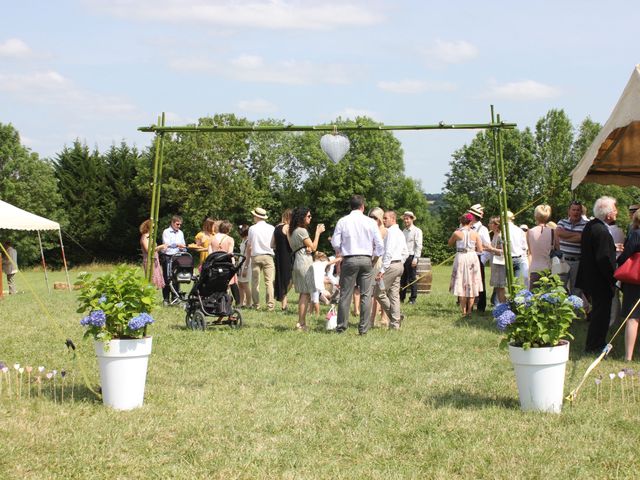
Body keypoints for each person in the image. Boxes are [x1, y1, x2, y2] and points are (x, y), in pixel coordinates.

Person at [331, 195, 384, 335]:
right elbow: (380, 245)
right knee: (366, 295)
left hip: (349, 259)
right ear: (363, 207)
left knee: (345, 294)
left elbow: (335, 242)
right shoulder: (370, 222)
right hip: (366, 259)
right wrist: (374, 259)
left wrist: (341, 252)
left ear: (351, 206)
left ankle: (341, 327)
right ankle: (363, 329)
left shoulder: (343, 221)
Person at [576, 196, 618, 354]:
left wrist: (612, 247)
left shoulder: (591, 225)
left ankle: (595, 342)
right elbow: (603, 258)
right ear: (608, 214)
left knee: (598, 313)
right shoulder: (600, 230)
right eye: (614, 209)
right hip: (600, 280)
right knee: (601, 314)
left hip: (592, 277)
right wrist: (613, 277)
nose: (616, 212)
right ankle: (595, 345)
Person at [288, 207, 325, 330]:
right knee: (305, 294)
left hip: (297, 262)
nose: (310, 218)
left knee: (303, 293)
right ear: (301, 217)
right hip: (304, 263)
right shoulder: (302, 231)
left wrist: (307, 248)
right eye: (308, 216)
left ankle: (301, 322)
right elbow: (314, 247)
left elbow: (302, 247)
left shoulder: (292, 231)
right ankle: (301, 323)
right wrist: (318, 232)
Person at [375, 210, 409, 329]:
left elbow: (388, 252)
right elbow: (406, 252)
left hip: (391, 265)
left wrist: (382, 270)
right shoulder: (400, 232)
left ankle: (396, 317)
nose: (383, 220)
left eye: (385, 218)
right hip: (399, 265)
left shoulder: (391, 232)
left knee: (378, 292)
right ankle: (395, 324)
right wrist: (400, 263)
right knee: (394, 295)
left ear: (393, 219)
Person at [448, 213, 483, 316]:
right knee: (472, 283)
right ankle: (469, 311)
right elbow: (480, 249)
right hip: (472, 256)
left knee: (461, 283)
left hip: (461, 257)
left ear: (461, 222)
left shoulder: (457, 233)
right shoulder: (475, 234)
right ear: (471, 222)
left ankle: (463, 311)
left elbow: (450, 243)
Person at [618, 209, 640, 361]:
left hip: (635, 279)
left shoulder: (636, 233)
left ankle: (628, 356)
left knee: (633, 317)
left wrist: (619, 259)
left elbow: (626, 255)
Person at [245, 207, 276, 311]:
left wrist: (247, 261)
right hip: (268, 256)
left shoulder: (252, 228)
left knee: (255, 282)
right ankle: (270, 305)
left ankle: (256, 305)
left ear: (257, 217)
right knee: (269, 282)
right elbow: (274, 244)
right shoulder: (271, 228)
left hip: (256, 256)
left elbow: (249, 246)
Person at [556, 201, 588, 295]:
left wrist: (565, 237)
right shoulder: (562, 221)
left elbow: (582, 238)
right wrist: (577, 236)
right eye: (573, 210)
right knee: (559, 289)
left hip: (578, 262)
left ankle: (575, 309)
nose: (576, 212)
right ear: (569, 211)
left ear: (581, 211)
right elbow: (558, 233)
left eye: (578, 210)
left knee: (576, 291)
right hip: (562, 260)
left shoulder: (586, 224)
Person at [467, 204, 491, 312]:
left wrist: (482, 260)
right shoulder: (465, 227)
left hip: (478, 257)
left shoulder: (483, 229)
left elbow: (487, 246)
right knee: (468, 282)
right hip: (467, 258)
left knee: (480, 283)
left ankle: (481, 306)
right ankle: (468, 306)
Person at [210, 220, 240, 305]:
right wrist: (234, 265)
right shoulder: (230, 239)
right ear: (228, 229)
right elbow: (230, 254)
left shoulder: (212, 238)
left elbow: (210, 254)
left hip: (215, 264)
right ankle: (238, 302)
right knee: (233, 282)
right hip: (226, 264)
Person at [368, 207, 389, 328]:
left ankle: (382, 318)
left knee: (378, 292)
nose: (372, 219)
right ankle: (374, 319)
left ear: (380, 219)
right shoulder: (372, 229)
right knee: (374, 293)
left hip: (379, 263)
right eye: (370, 217)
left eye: (375, 217)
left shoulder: (383, 231)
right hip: (373, 261)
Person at [160, 215, 187, 305]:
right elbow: (167, 244)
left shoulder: (181, 233)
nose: (179, 226)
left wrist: (183, 248)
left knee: (176, 277)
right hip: (167, 256)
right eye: (177, 224)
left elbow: (183, 244)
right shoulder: (166, 232)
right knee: (167, 277)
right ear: (172, 223)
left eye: (180, 225)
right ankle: (166, 298)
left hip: (177, 256)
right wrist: (177, 245)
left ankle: (175, 297)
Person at [526, 205, 553, 288]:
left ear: (535, 216)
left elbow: (530, 253)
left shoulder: (530, 232)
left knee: (533, 298)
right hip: (549, 269)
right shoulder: (553, 232)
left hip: (534, 269)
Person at [272, 209, 293, 312]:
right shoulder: (287, 227)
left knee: (282, 278)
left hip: (278, 256)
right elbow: (291, 243)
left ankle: (284, 304)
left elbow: (271, 244)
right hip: (287, 256)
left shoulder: (276, 227)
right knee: (289, 279)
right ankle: (283, 299)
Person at [400, 211, 423, 305]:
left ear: (412, 219)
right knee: (403, 278)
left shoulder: (417, 231)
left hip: (411, 256)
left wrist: (416, 258)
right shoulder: (403, 231)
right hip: (403, 257)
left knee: (412, 278)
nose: (406, 220)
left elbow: (419, 245)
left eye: (407, 219)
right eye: (404, 219)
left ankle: (412, 299)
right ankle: (401, 297)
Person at [139, 219, 165, 290]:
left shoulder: (150, 237)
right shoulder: (145, 237)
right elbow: (148, 250)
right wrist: (160, 247)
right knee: (150, 280)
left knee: (155, 282)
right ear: (148, 228)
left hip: (154, 260)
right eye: (153, 227)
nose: (154, 229)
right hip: (149, 261)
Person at [506, 211, 529, 289]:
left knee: (506, 283)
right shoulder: (519, 230)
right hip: (518, 258)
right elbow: (524, 246)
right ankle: (515, 299)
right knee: (516, 284)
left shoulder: (503, 230)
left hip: (507, 258)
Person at [486, 216, 506, 305]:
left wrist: (491, 249)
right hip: (495, 264)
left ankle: (503, 305)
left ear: (496, 225)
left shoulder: (500, 236)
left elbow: (503, 252)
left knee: (500, 287)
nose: (488, 225)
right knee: (497, 287)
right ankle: (500, 305)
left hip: (500, 264)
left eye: (490, 223)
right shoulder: (495, 235)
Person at [237, 225, 252, 308]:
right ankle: (241, 302)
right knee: (240, 283)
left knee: (245, 284)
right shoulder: (243, 240)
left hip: (246, 263)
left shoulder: (248, 241)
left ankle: (249, 303)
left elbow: (248, 255)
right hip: (241, 262)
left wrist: (245, 268)